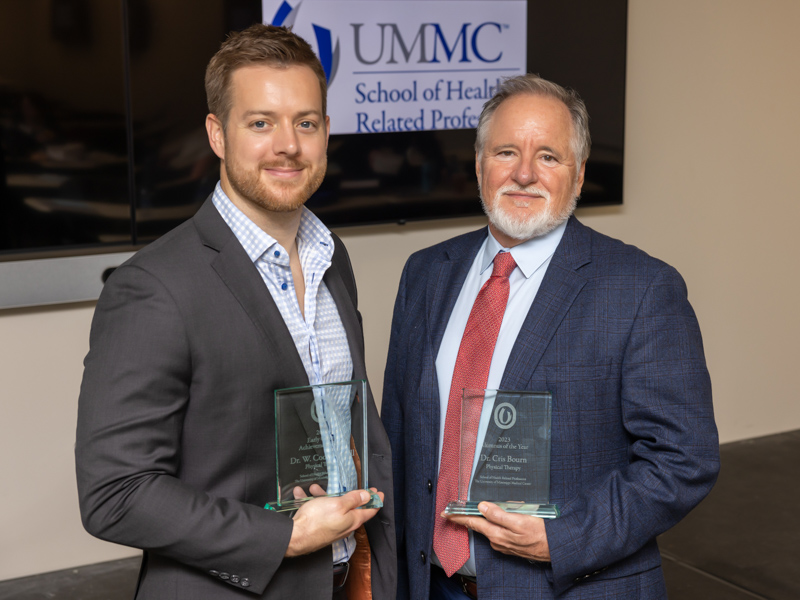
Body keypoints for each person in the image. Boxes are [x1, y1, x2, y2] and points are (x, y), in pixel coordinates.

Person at [76, 24, 395, 600]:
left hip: (351, 581)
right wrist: (285, 537)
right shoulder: (153, 286)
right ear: (217, 134)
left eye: (305, 122)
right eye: (260, 123)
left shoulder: (332, 257)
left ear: (326, 132)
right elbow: (115, 493)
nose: (288, 145)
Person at [380, 74, 719, 599]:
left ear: (579, 175)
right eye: (506, 152)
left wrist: (563, 536)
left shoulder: (642, 288)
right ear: (477, 165)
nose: (523, 174)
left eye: (548, 158)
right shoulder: (425, 275)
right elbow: (400, 440)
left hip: (567, 587)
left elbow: (684, 460)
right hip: (431, 585)